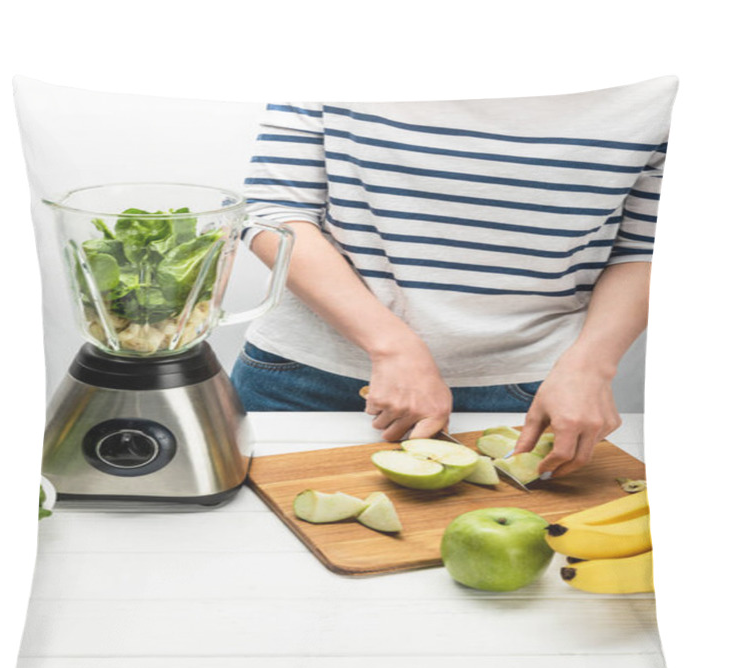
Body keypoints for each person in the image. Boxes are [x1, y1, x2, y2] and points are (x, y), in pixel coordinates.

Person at [230, 84, 673, 479]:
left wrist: (592, 366)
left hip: (536, 393)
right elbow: (274, 212)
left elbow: (649, 245)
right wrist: (392, 346)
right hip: (307, 381)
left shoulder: (661, 84)